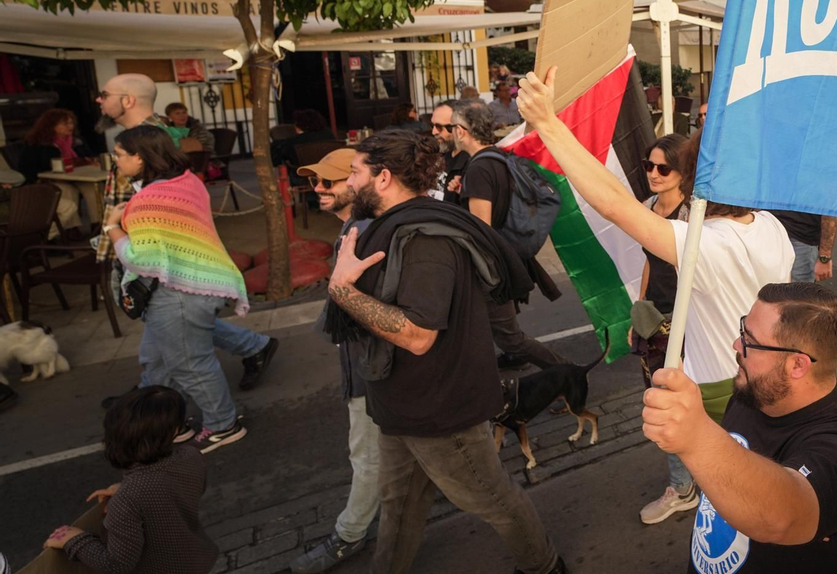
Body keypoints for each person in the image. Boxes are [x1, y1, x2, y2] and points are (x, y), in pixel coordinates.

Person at [513, 66, 795, 529]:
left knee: (729, 501)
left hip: (717, 389)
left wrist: (548, 123)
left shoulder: (704, 242)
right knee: (754, 484)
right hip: (767, 377)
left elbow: (611, 203)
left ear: (696, 176)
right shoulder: (769, 226)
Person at [322, 130, 566, 574]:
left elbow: (417, 334)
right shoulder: (390, 227)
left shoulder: (425, 240)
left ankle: (546, 567)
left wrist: (342, 290)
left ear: (383, 178)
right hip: (398, 402)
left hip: (440, 408)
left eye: (354, 172)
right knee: (398, 504)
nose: (347, 183)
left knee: (495, 500)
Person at [643, 283, 837, 574]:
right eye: (743, 328)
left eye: (749, 340)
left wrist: (696, 438)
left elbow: (782, 517)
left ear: (797, 365)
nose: (736, 344)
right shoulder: (755, 393)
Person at [106, 126, 273, 451]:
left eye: (119, 155)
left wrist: (113, 227)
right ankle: (168, 422)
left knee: (190, 365)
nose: (115, 161)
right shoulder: (186, 181)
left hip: (177, 292)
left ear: (139, 157)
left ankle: (223, 425)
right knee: (156, 360)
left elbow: (142, 261)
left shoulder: (147, 201)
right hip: (195, 283)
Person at [289, 149, 377, 573]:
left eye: (329, 181)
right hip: (368, 367)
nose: (318, 189)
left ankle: (349, 535)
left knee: (367, 456)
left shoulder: (361, 234)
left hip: (372, 371)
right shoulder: (352, 232)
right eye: (314, 182)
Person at [44, 386, 218, 574]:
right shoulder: (191, 455)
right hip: (196, 559)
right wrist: (127, 490)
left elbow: (117, 565)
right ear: (174, 430)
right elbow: (177, 491)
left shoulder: (127, 500)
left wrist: (75, 539)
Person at [451, 100, 569, 372]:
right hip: (506, 258)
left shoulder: (478, 168)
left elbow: (482, 228)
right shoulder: (496, 157)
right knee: (503, 334)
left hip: (493, 267)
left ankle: (566, 373)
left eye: (451, 127)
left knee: (512, 339)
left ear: (461, 131)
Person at [631, 132, 702, 524]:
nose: (654, 174)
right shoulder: (647, 206)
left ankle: (690, 484)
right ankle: (687, 482)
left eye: (663, 167)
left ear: (682, 172)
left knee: (682, 403)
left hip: (688, 323)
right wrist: (638, 310)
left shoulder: (694, 214)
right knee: (663, 403)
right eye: (649, 166)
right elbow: (649, 261)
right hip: (654, 320)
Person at [93, 74, 174, 268]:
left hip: (142, 257)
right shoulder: (141, 138)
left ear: (128, 100)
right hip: (129, 250)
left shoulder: (153, 142)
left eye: (104, 95)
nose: (98, 100)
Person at [770, 210, 837, 391]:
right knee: (777, 310)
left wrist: (824, 256)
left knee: (802, 313)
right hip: (771, 234)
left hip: (801, 240)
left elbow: (830, 209)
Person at [19, 108, 96, 234]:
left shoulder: (77, 141)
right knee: (66, 190)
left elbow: (89, 157)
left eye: (71, 123)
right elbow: (28, 167)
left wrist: (87, 160)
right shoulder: (38, 143)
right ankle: (71, 228)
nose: (70, 126)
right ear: (51, 125)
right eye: (65, 123)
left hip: (79, 177)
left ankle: (98, 225)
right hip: (52, 180)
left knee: (92, 188)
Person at [429, 100, 470, 204]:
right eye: (432, 126)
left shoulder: (472, 163)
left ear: (458, 128)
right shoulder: (442, 154)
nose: (434, 132)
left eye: (439, 127)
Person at [271, 109, 336, 169]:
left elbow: (277, 159)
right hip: (328, 168)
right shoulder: (328, 134)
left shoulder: (296, 141)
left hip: (302, 172)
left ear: (299, 125)